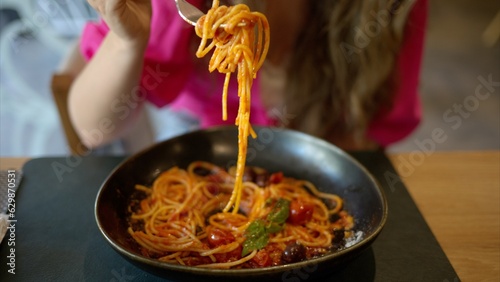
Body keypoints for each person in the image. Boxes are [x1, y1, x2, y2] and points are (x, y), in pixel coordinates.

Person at [67, 0, 427, 151]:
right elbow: (93, 129)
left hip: (323, 139)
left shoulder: (382, 10)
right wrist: (127, 41)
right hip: (198, 138)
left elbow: (366, 134)